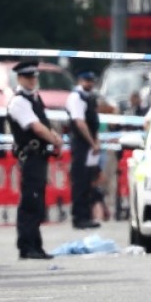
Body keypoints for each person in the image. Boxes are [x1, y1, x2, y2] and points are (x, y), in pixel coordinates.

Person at [6, 60, 64, 260]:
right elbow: (36, 127)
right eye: (28, 77)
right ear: (20, 78)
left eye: (34, 76)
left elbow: (43, 123)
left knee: (37, 202)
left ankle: (36, 245)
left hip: (39, 157)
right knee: (30, 202)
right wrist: (55, 140)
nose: (33, 80)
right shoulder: (19, 101)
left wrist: (54, 139)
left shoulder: (33, 98)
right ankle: (26, 246)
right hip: (30, 157)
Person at [65, 70, 102, 230]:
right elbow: (80, 123)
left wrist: (96, 141)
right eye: (87, 81)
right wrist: (92, 142)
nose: (90, 84)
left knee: (88, 181)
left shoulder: (90, 97)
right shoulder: (76, 97)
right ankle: (78, 217)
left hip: (89, 144)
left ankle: (86, 216)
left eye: (92, 81)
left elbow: (94, 123)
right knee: (80, 181)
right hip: (81, 144)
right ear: (80, 81)